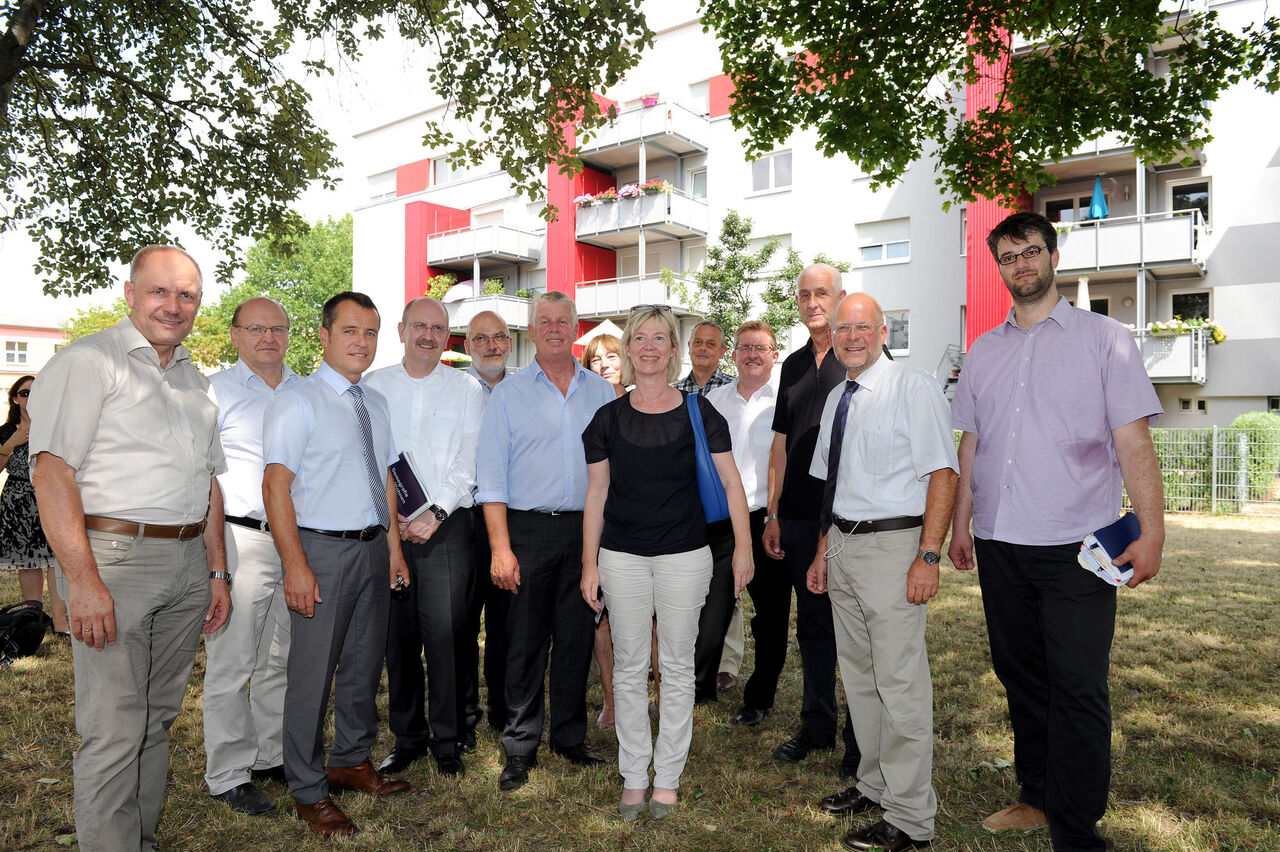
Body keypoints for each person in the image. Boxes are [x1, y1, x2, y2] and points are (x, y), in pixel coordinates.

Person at [948, 211, 1164, 851]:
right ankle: (1036, 795)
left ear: (1054, 255)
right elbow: (971, 445)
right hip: (998, 543)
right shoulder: (983, 350)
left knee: (1077, 685)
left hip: (1077, 545)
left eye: (1031, 252)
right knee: (1021, 677)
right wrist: (961, 524)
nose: (1021, 266)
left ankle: (1076, 825)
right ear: (1000, 267)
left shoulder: (1105, 340)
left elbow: (1134, 440)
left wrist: (1151, 531)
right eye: (1008, 257)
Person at [29, 245, 230, 852]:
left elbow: (210, 481)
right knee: (114, 730)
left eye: (187, 295)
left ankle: (136, 840)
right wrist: (83, 581)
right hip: (113, 563)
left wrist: (216, 572)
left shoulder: (195, 379)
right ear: (130, 293)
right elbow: (51, 472)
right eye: (159, 291)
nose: (174, 306)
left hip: (188, 562)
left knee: (156, 720)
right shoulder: (90, 361)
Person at [580, 304, 753, 821]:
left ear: (672, 348)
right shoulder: (606, 418)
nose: (650, 346)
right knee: (630, 667)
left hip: (685, 558)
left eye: (660, 337)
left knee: (677, 667)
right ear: (629, 349)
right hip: (622, 558)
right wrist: (589, 565)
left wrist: (743, 548)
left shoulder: (702, 413)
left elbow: (731, 484)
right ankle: (634, 772)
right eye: (640, 338)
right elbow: (596, 495)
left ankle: (668, 775)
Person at [807, 294, 958, 852]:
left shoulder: (911, 387)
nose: (851, 337)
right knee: (862, 676)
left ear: (883, 330)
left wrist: (928, 554)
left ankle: (912, 819)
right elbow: (833, 485)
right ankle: (873, 786)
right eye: (844, 327)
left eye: (862, 327)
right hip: (844, 546)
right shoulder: (838, 397)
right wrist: (824, 550)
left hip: (895, 548)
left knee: (900, 684)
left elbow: (943, 472)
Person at [262, 291, 412, 838]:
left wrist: (394, 549)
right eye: (350, 331)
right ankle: (306, 788)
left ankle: (350, 759)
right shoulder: (296, 401)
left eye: (370, 333)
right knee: (311, 676)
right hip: (320, 551)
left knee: (363, 666)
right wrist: (296, 566)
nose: (362, 342)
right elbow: (275, 487)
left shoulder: (375, 403)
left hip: (373, 548)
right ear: (323, 337)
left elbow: (388, 481)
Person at [475, 291, 616, 791]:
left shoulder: (601, 393)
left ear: (575, 328)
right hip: (526, 529)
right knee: (524, 642)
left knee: (578, 636)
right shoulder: (509, 395)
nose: (554, 328)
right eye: (544, 321)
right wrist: (500, 547)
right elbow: (489, 478)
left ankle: (570, 738)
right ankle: (519, 745)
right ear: (531, 331)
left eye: (564, 321)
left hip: (585, 530)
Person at [367, 297, 486, 778]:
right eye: (420, 326)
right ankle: (408, 736)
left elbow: (470, 455)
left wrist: (436, 511)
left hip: (447, 526)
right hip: (388, 528)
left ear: (447, 336)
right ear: (401, 330)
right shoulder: (373, 386)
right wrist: (391, 518)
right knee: (399, 637)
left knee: (446, 636)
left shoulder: (466, 388)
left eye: (439, 328)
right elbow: (368, 455)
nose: (429, 336)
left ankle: (448, 738)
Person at [200, 297, 299, 815]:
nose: (268, 338)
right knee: (232, 660)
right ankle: (227, 773)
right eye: (255, 328)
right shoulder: (213, 391)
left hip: (297, 542)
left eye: (277, 328)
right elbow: (206, 477)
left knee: (279, 657)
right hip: (242, 540)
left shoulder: (305, 390)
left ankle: (268, 755)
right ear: (235, 335)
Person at [762, 263, 859, 776]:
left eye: (823, 293)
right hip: (796, 519)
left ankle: (860, 743)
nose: (813, 302)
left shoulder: (861, 359)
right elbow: (779, 444)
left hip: (848, 522)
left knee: (855, 631)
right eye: (804, 295)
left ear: (841, 297)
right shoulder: (793, 365)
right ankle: (817, 726)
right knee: (813, 629)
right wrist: (773, 511)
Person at [705, 321, 791, 726]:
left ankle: (759, 698)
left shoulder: (786, 401)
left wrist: (774, 514)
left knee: (771, 615)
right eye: (745, 347)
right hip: (719, 521)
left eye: (762, 347)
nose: (753, 354)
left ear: (774, 355)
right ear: (733, 354)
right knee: (710, 608)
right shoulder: (713, 401)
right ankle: (700, 686)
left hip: (766, 520)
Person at [461, 310, 513, 738]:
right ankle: (463, 712)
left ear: (510, 342)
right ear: (467, 347)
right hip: (462, 520)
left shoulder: (523, 391)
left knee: (506, 622)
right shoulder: (455, 391)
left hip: (513, 520)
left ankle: (503, 707)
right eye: (481, 339)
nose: (492, 346)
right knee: (460, 621)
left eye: (499, 337)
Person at [580, 332, 626, 728]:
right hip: (599, 526)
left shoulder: (647, 400)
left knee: (654, 622)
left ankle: (661, 695)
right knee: (603, 619)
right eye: (597, 359)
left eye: (613, 356)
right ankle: (610, 701)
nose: (606, 364)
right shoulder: (586, 407)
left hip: (640, 528)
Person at [1, 376, 68, 635]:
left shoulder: (54, 428)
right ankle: (33, 620)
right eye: (24, 393)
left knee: (55, 561)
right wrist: (11, 443)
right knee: (28, 563)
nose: (30, 396)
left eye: (35, 391)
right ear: (16, 399)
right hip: (17, 503)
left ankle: (61, 623)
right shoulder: (6, 431)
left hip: (49, 498)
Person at [672, 320, 732, 395]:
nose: (703, 348)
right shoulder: (674, 392)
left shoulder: (735, 389)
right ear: (689, 346)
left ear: (722, 351)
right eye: (698, 342)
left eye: (711, 344)